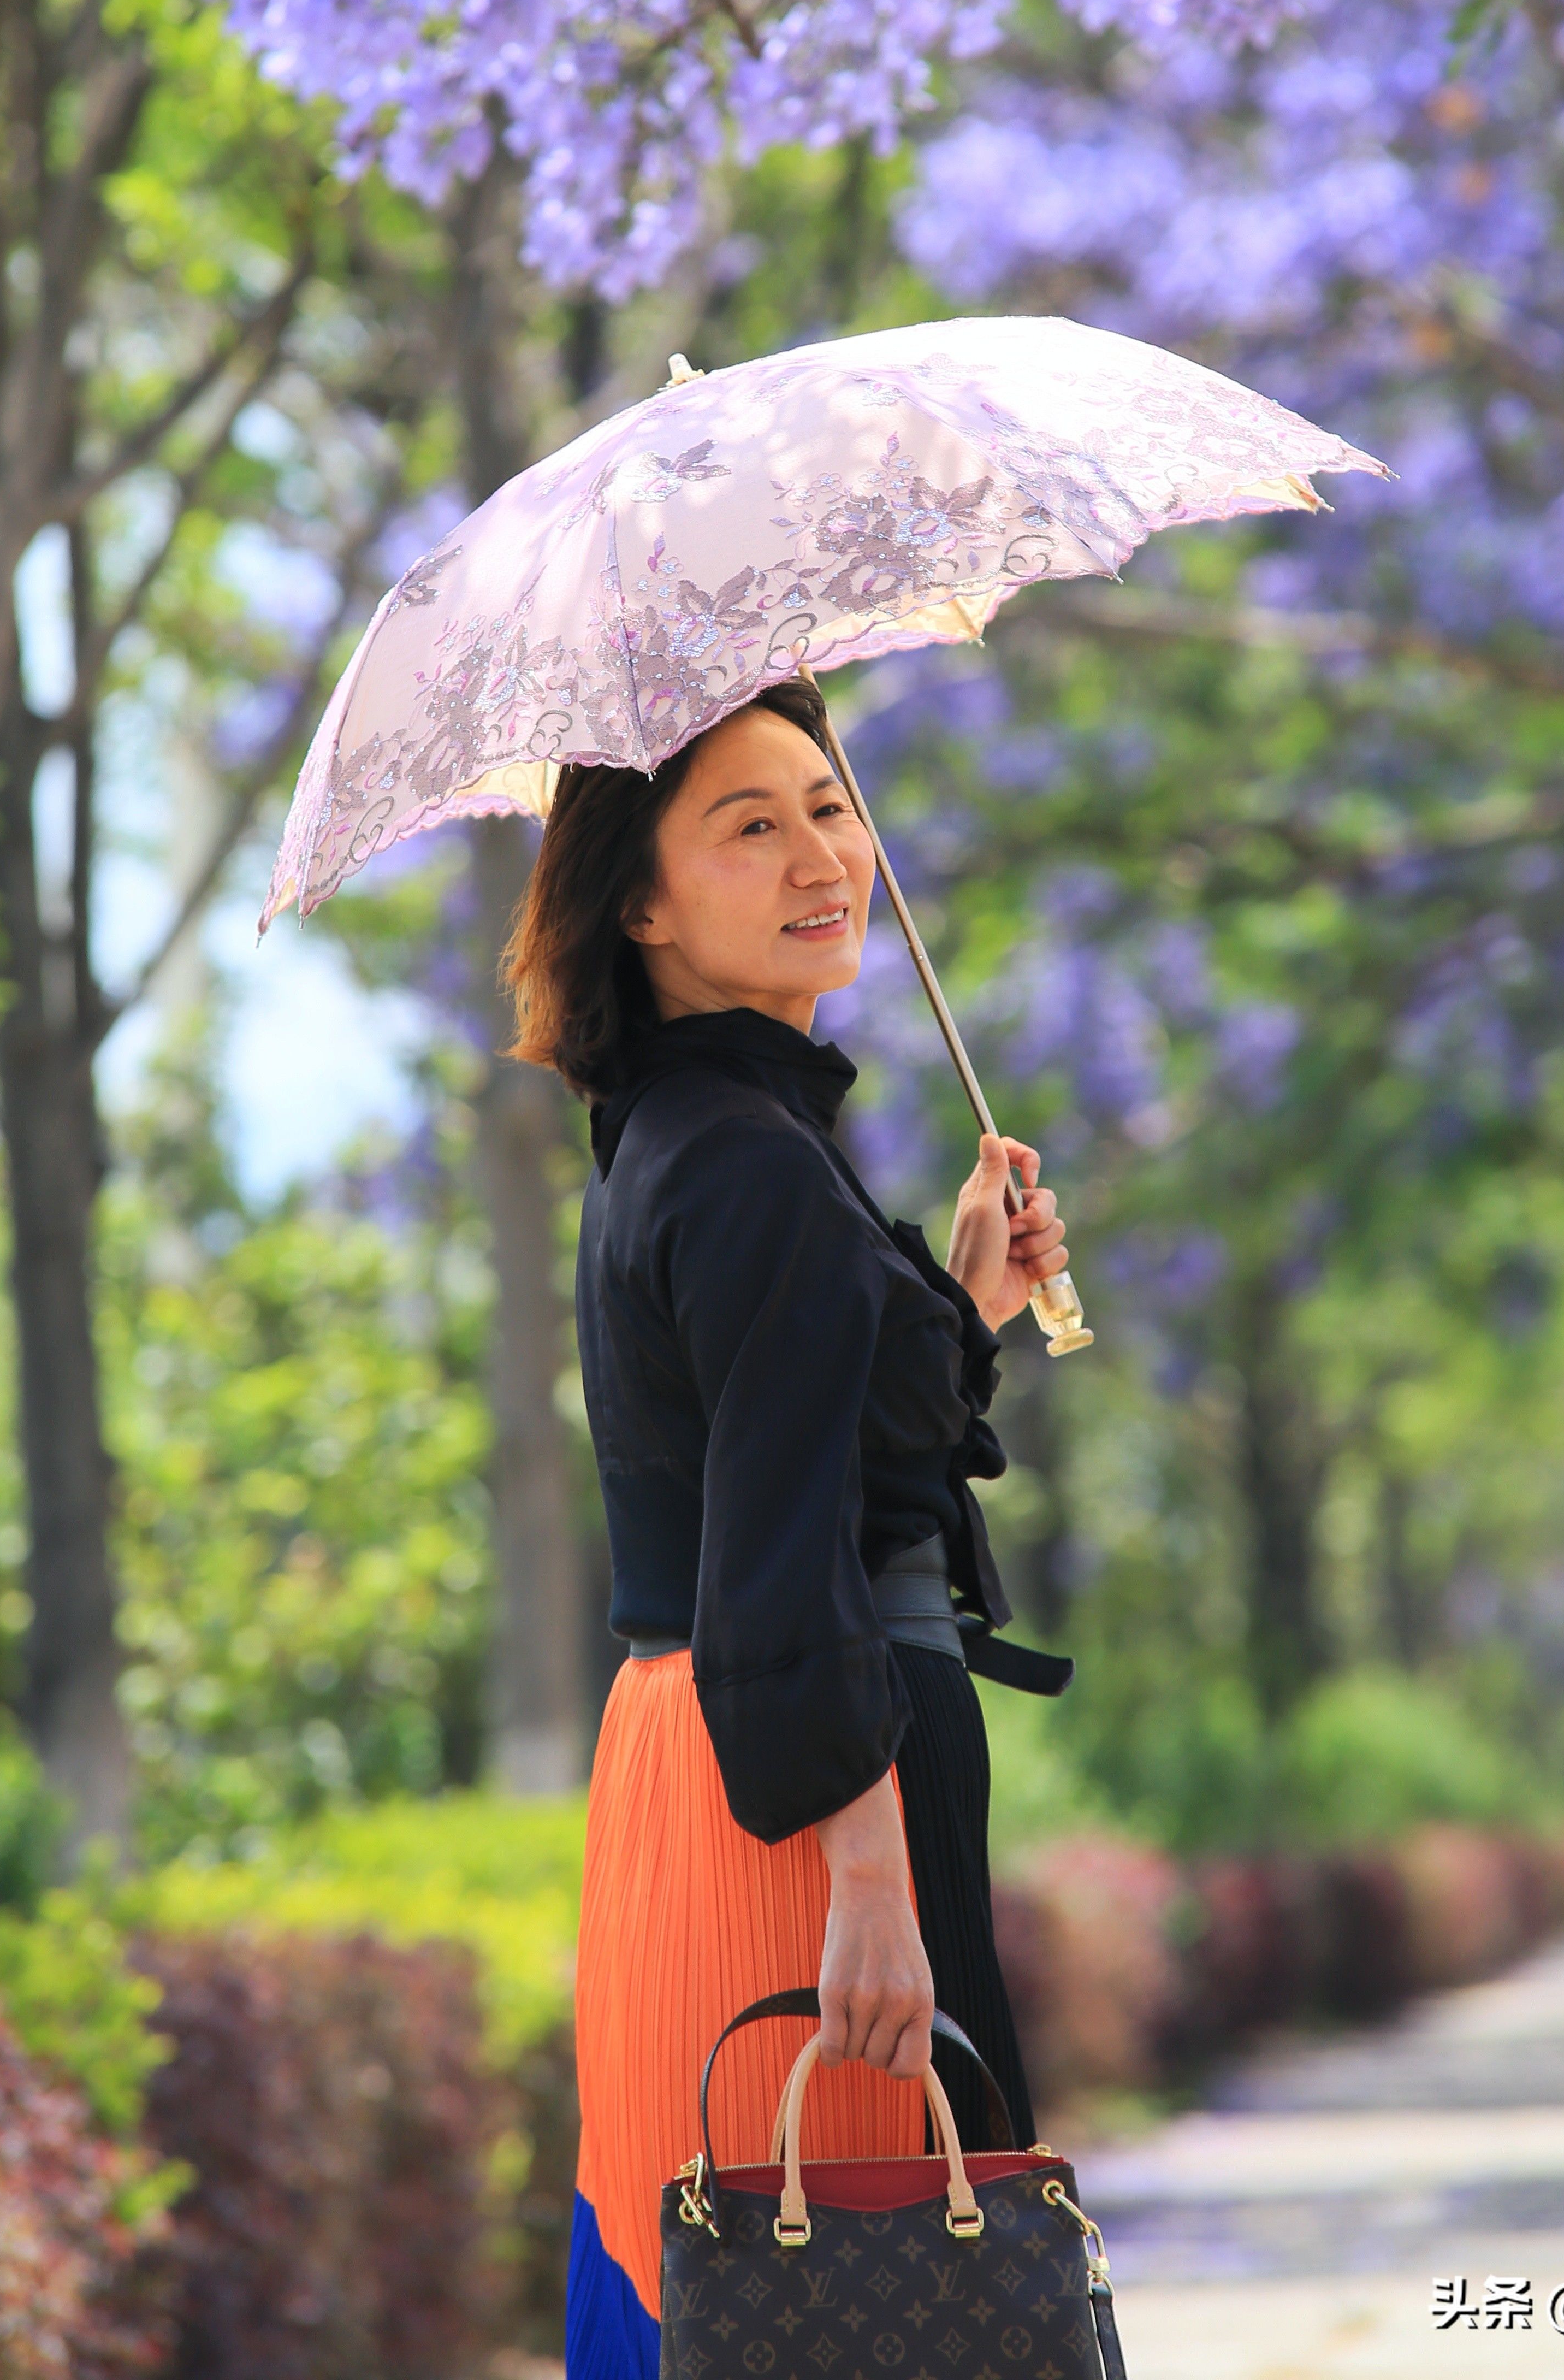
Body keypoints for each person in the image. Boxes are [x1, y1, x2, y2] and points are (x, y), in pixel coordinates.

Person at [502, 671, 1073, 2380]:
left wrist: (955, 1312)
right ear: (643, 902)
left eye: (829, 806)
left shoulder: (693, 1134)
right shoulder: (745, 1159)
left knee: (754, 2278)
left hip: (713, 1762)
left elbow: (817, 1463)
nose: (823, 851)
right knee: (851, 2274)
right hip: (806, 1804)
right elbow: (778, 1560)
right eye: (749, 825)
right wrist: (870, 1884)